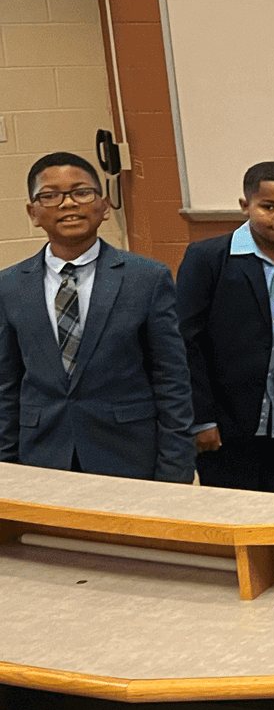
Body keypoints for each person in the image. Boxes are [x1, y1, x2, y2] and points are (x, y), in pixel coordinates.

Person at [0, 151, 193, 482]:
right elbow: (6, 384)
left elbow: (171, 379)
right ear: (33, 213)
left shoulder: (147, 278)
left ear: (104, 206)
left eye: (81, 192)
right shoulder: (9, 286)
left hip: (129, 456)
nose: (68, 203)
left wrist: (175, 470)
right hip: (41, 458)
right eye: (51, 196)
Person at [175, 160, 274, 492]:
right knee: (232, 516)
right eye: (268, 207)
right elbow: (186, 343)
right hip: (224, 427)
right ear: (245, 206)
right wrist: (200, 419)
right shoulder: (207, 258)